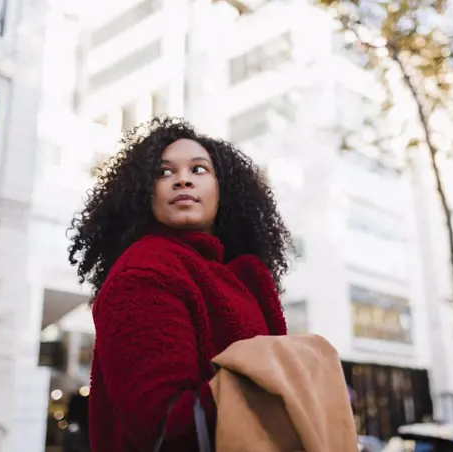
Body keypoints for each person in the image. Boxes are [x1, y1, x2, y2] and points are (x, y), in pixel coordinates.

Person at [68, 117, 291, 452]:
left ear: (223, 189)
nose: (182, 179)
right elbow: (162, 426)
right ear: (145, 193)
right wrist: (287, 380)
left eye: (198, 169)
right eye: (163, 172)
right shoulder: (144, 271)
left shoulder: (240, 277)